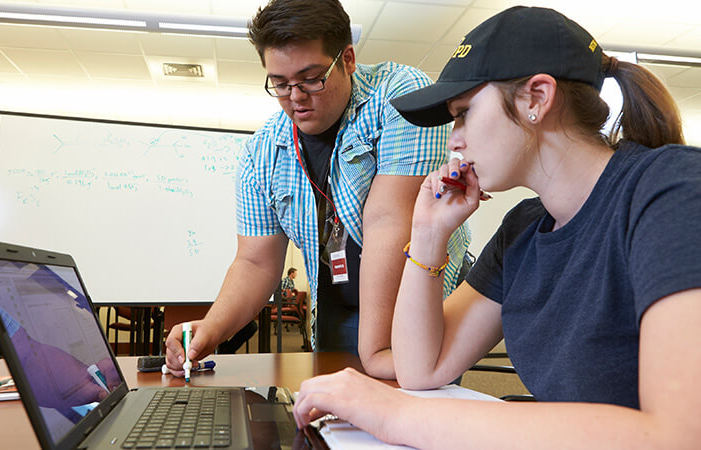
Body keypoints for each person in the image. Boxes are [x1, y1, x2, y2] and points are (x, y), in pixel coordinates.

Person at [292, 6, 701, 448]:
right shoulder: (524, 228)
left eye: (464, 112)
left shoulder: (672, 189)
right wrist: (429, 235)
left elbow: (677, 433)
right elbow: (421, 367)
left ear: (536, 99)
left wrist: (398, 414)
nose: (454, 140)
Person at [165, 0, 469, 380]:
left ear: (348, 59)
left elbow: (391, 225)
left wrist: (376, 353)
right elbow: (255, 262)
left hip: (414, 300)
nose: (295, 97)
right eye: (279, 83)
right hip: (334, 309)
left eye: (311, 78)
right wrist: (209, 330)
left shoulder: (399, 96)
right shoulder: (263, 151)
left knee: (412, 414)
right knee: (333, 427)